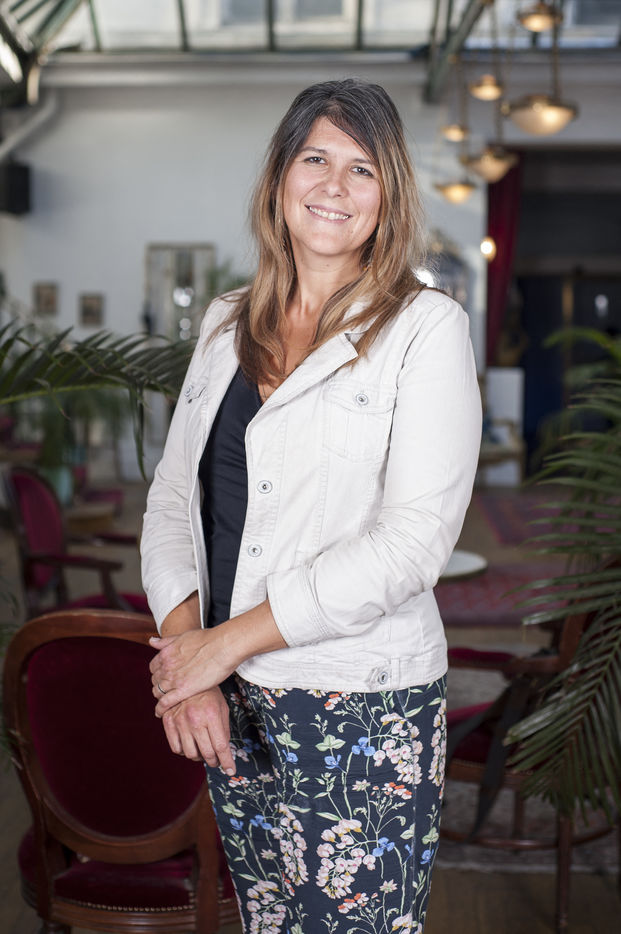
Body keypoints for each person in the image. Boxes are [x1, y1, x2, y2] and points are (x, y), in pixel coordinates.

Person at [141, 78, 481, 934]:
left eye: (361, 168)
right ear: (279, 178)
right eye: (314, 158)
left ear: (388, 194)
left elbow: (410, 545)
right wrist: (190, 662)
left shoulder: (424, 328)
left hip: (358, 701)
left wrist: (218, 647)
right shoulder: (224, 324)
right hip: (229, 697)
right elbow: (175, 501)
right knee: (267, 920)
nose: (334, 185)